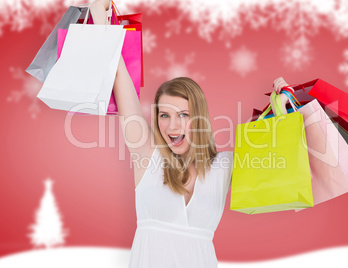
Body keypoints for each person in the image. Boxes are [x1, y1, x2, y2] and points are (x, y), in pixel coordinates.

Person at [90, 1, 290, 267]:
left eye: (184, 115)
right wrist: (100, 14)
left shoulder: (225, 165)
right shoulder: (147, 154)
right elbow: (118, 75)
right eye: (165, 115)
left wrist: (284, 107)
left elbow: (282, 169)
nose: (173, 127)